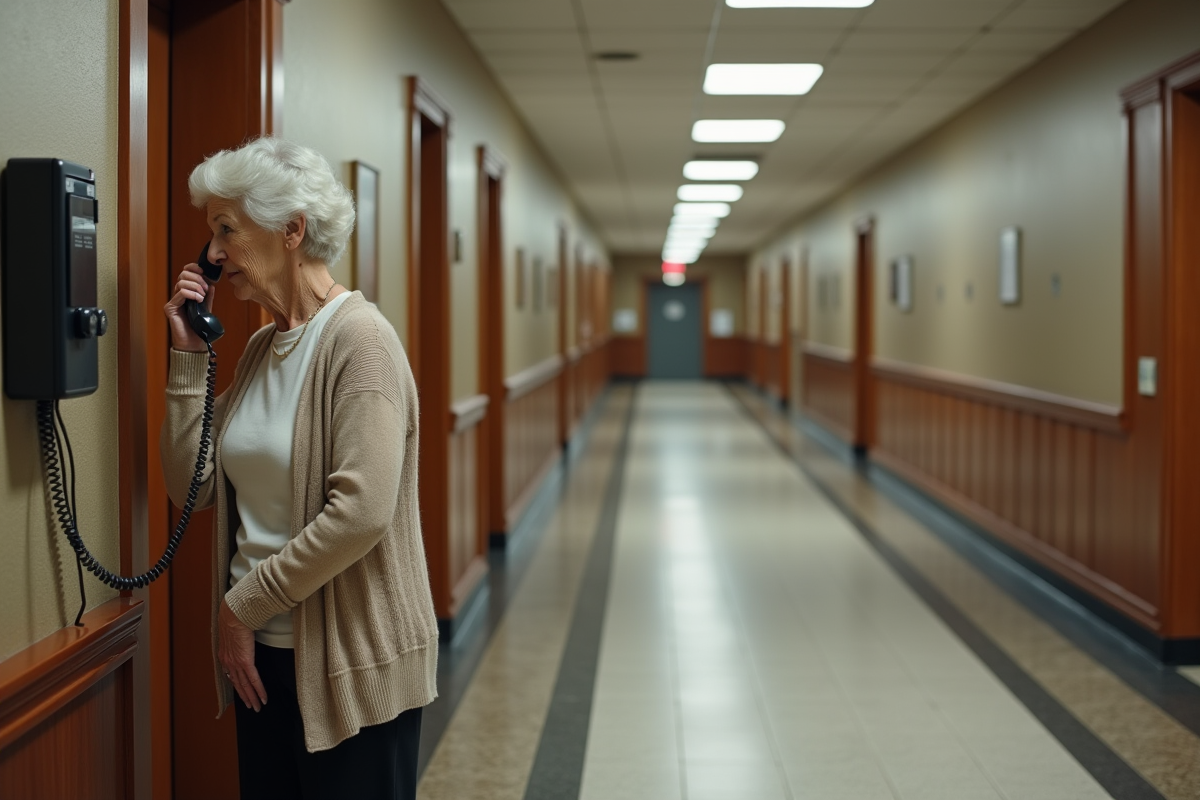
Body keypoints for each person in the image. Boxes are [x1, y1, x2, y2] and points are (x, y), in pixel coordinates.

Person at [159, 137, 437, 800]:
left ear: (292, 230)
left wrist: (240, 608)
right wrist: (188, 358)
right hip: (260, 659)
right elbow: (191, 486)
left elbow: (362, 513)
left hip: (351, 663)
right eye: (211, 234)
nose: (213, 254)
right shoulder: (262, 347)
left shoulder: (362, 342)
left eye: (227, 229)